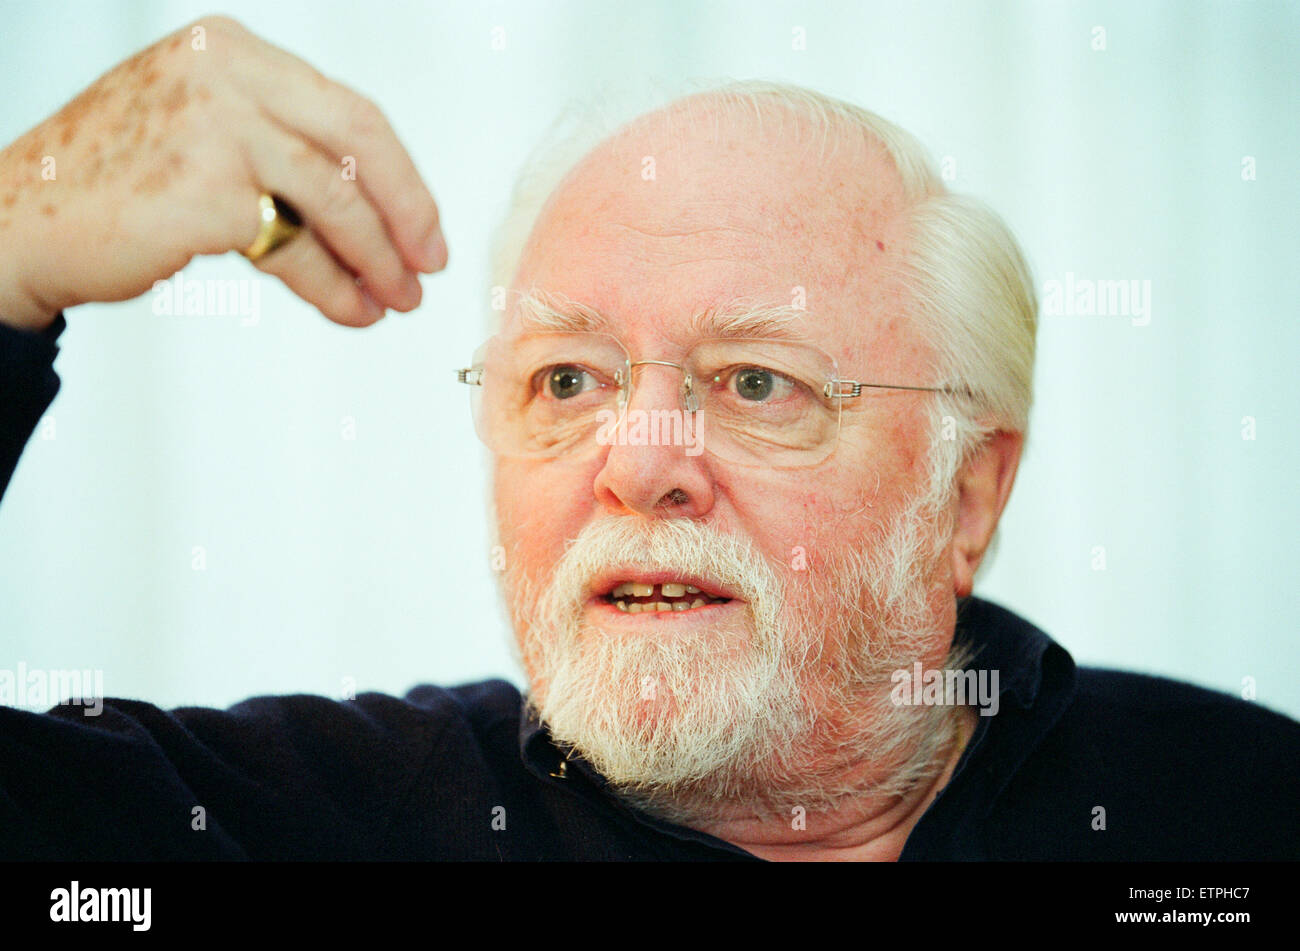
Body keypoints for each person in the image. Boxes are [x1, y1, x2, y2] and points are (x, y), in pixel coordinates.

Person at [0, 17, 1295, 861]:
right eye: (567, 379)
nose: (637, 460)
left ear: (968, 495)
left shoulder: (1236, 809)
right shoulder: (329, 828)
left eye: (755, 383)